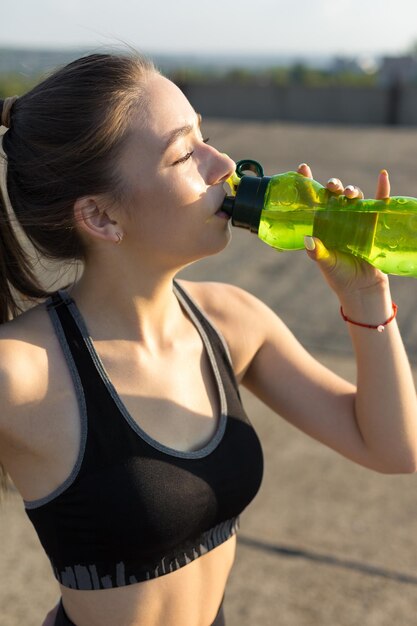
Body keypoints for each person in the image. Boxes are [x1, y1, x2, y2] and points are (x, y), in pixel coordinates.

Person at [0, 52, 417, 626]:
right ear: (100, 217)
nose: (223, 165)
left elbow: (393, 449)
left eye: (206, 135)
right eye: (183, 154)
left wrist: (365, 296)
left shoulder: (232, 320)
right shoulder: (22, 371)